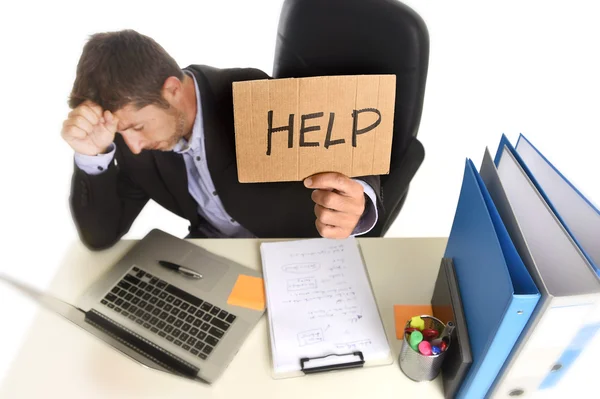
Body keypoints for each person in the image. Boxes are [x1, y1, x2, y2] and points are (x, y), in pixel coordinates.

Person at [61, 30, 383, 250]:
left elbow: (343, 136)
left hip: (292, 250)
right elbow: (101, 237)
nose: (133, 146)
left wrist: (359, 200)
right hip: (211, 260)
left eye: (137, 127)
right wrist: (92, 156)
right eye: (120, 134)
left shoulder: (250, 94)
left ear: (172, 89)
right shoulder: (135, 146)